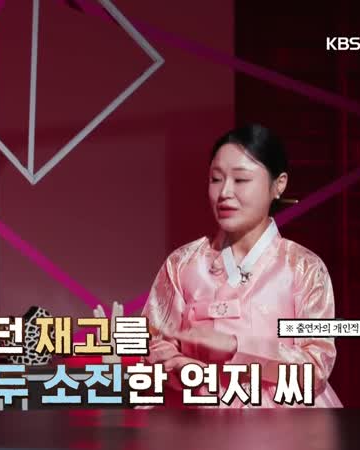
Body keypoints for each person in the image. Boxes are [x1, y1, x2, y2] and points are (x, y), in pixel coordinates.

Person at [142, 124, 342, 407]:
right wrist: (184, 368)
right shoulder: (183, 264)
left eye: (241, 179)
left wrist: (237, 347)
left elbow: (316, 366)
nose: (224, 192)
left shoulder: (303, 268)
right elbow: (151, 344)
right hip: (201, 416)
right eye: (216, 179)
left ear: (279, 184)